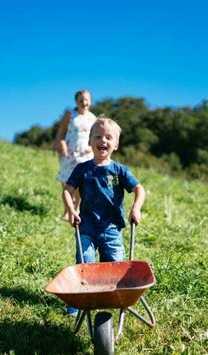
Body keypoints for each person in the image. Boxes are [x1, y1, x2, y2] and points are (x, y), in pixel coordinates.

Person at [62, 117, 146, 316]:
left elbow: (139, 189)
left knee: (115, 269)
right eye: (98, 136)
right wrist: (71, 210)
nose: (103, 141)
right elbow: (67, 190)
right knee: (85, 265)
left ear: (116, 144)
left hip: (112, 229)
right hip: (87, 227)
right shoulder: (83, 169)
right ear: (90, 141)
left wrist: (136, 208)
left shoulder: (119, 170)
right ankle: (76, 306)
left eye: (109, 137)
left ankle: (114, 300)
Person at [54, 89, 96, 218]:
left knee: (81, 182)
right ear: (76, 102)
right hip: (69, 153)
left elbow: (96, 136)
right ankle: (67, 210)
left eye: (86, 100)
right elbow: (61, 132)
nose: (84, 102)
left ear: (90, 101)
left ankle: (76, 209)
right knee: (66, 182)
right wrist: (61, 144)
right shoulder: (70, 115)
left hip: (85, 155)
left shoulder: (93, 118)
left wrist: (92, 147)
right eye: (81, 100)